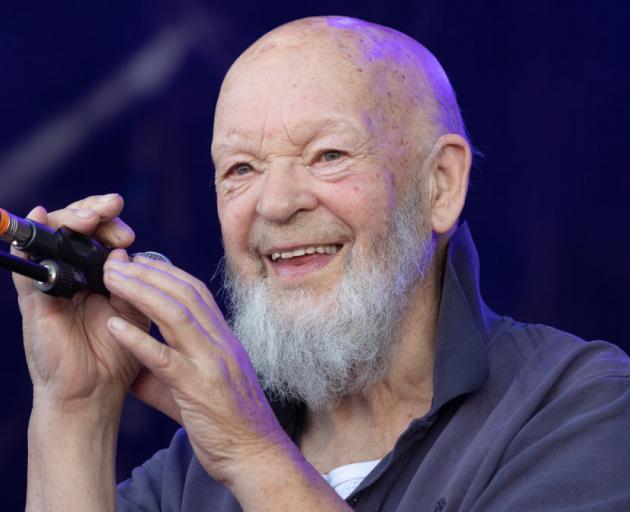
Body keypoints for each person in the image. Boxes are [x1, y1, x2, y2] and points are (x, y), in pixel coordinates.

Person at [16, 16, 630, 512]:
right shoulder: (188, 473)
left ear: (440, 184)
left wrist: (252, 453)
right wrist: (75, 409)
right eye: (241, 170)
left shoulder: (576, 408)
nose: (277, 204)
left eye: (328, 154)